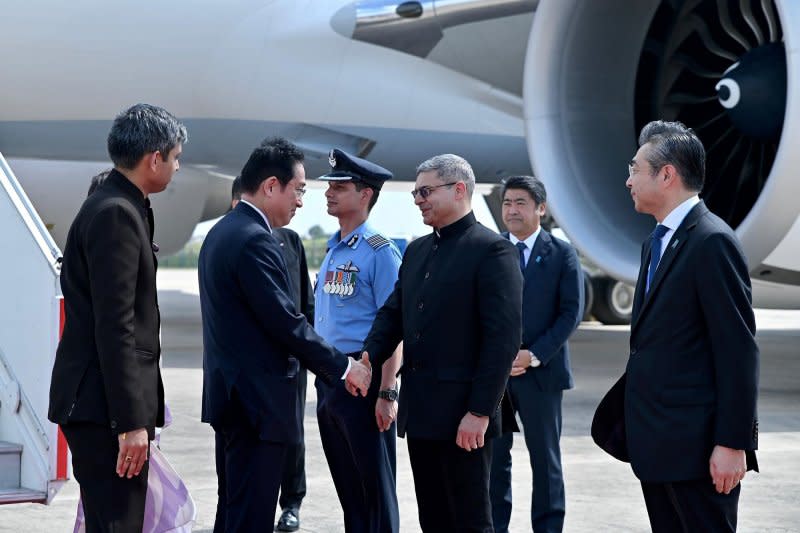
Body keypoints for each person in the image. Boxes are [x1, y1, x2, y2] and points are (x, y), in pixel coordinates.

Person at [199, 137, 372, 533]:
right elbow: (285, 322)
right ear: (271, 186)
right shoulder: (256, 240)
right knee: (251, 517)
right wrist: (344, 368)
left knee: (233, 510)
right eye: (299, 190)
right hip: (257, 407)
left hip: (232, 401)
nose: (300, 202)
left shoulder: (222, 232)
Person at [593, 120, 759, 532]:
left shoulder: (711, 241)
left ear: (666, 175)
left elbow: (737, 351)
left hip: (699, 451)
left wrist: (732, 442)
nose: (628, 180)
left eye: (635, 169)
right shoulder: (657, 241)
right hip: (659, 446)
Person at [361, 154, 523, 532]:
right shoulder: (417, 251)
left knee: (469, 520)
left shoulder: (493, 251)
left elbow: (502, 340)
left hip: (464, 416)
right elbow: (392, 314)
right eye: (417, 193)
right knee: (432, 519)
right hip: (421, 414)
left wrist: (480, 411)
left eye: (426, 191)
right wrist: (368, 359)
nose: (418, 199)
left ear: (460, 189)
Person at [49, 103, 187, 532]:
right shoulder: (116, 214)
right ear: (154, 159)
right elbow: (116, 326)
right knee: (117, 523)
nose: (177, 168)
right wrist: (130, 423)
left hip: (98, 404)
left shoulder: (120, 205)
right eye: (176, 157)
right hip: (103, 408)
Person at [314, 149, 402, 533]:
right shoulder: (334, 248)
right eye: (330, 185)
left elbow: (393, 327)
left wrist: (387, 392)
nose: (329, 193)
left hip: (363, 380)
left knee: (375, 490)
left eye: (341, 187)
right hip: (330, 377)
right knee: (349, 488)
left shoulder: (379, 252)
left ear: (365, 195)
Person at [489, 175, 583, 533]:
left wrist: (535, 355)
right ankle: (495, 526)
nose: (512, 210)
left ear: (541, 209)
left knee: (546, 461)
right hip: (497, 376)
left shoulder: (561, 253)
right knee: (496, 460)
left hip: (542, 374)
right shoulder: (491, 249)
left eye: (520, 203)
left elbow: (571, 312)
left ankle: (548, 527)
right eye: (507, 203)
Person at [231, 175, 312, 533]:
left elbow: (303, 303)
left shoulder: (290, 240)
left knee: (293, 436)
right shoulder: (240, 242)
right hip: (256, 368)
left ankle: (292, 502)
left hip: (292, 360)